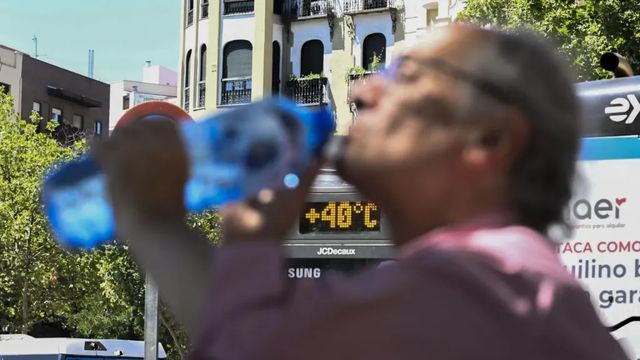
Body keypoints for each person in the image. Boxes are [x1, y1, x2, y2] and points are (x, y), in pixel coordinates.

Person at [95, 25, 630, 359]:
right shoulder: (501, 282)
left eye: (408, 76)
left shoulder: (484, 285)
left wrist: (163, 226)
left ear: (489, 138)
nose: (360, 88)